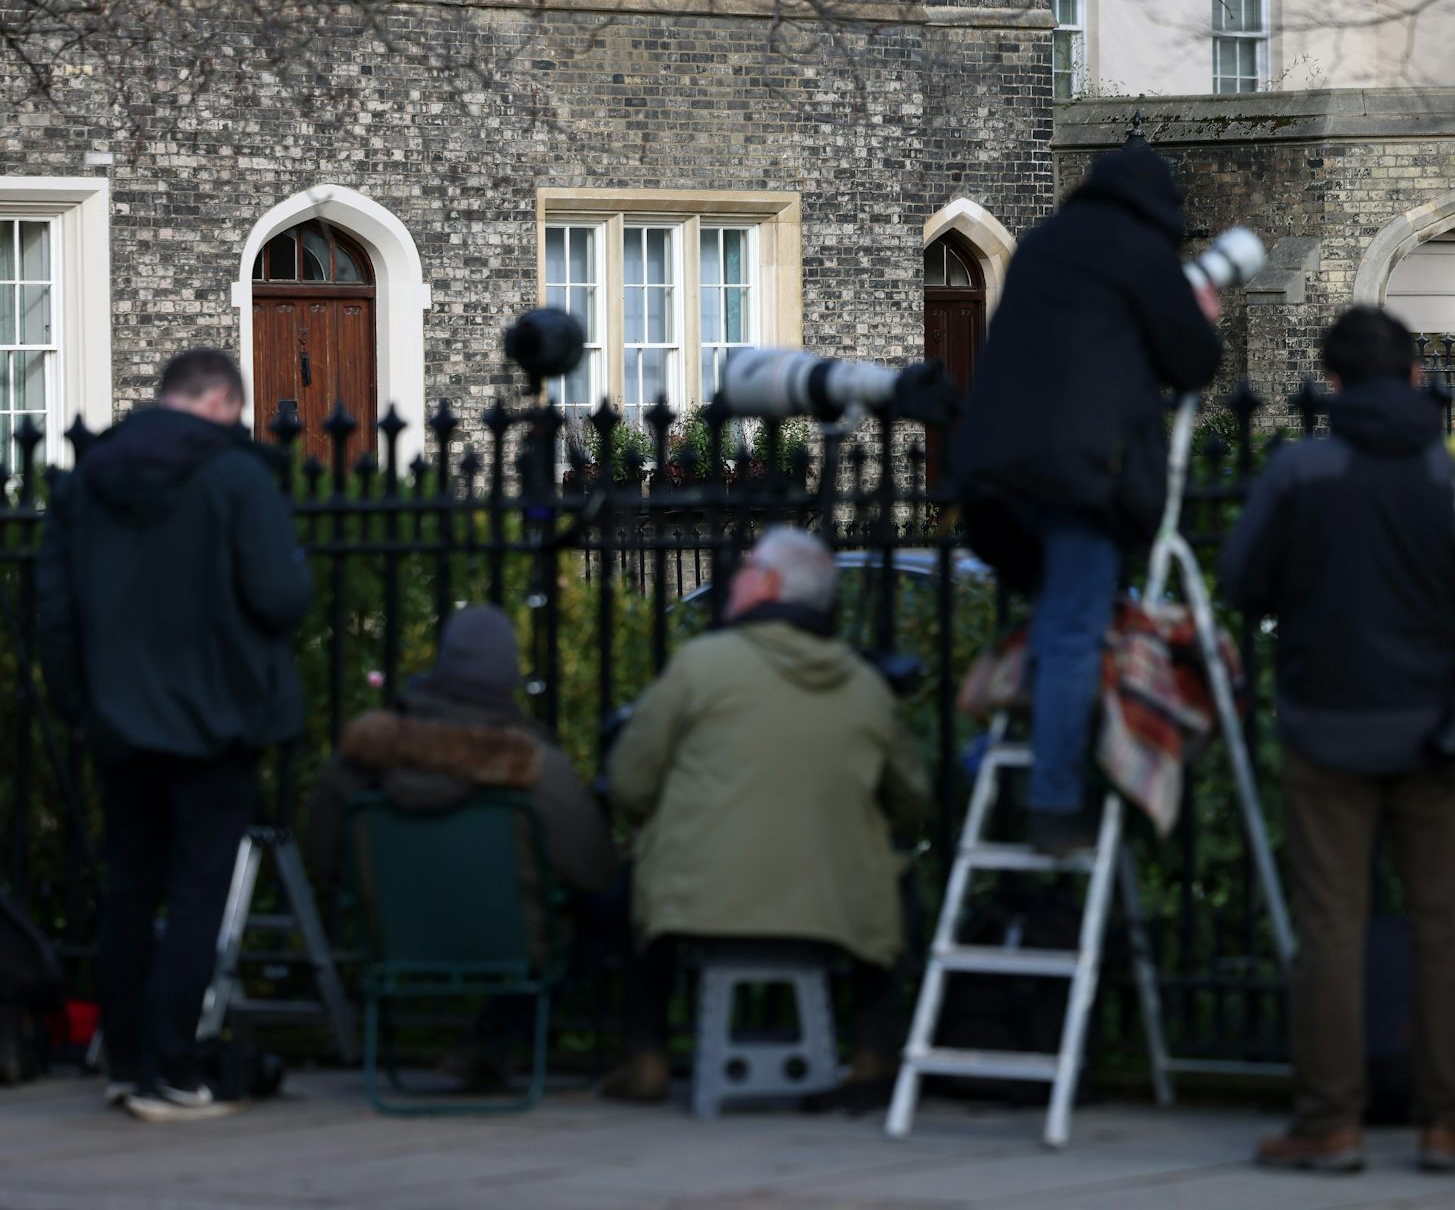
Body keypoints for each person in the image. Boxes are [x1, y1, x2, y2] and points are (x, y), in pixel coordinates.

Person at [1221, 306, 1455, 1174]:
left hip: (1326, 722)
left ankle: (1330, 1122)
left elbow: (1242, 581)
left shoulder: (1299, 470)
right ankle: (1449, 1120)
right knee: (1442, 926)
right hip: (1441, 728)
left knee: (1330, 927)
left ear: (1329, 383)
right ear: (1412, 377)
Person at [37, 348, 312, 1122]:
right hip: (217, 719)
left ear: (167, 397)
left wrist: (80, 706)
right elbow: (282, 596)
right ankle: (170, 1069)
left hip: (119, 720)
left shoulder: (89, 480)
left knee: (128, 890)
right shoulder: (236, 477)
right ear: (224, 400)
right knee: (196, 894)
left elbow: (53, 614)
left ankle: (125, 1065)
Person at [951, 141, 1223, 853]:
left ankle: (999, 769)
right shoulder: (1138, 250)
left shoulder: (1044, 246)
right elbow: (1193, 360)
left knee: (1057, 625)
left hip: (996, 476)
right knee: (1074, 628)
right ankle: (1051, 802)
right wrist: (1197, 308)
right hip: (1077, 477)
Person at [600, 527, 929, 1102]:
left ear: (769, 584)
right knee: (893, 884)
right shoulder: (866, 687)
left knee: (633, 884)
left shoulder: (700, 666)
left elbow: (629, 782)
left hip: (700, 900)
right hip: (835, 908)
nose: (736, 576)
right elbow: (912, 803)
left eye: (747, 566)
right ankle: (874, 1054)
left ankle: (645, 1058)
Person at [305, 604, 621, 1090]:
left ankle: (481, 1046)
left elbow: (324, 860)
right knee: (605, 905)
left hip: (397, 936)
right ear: (509, 674)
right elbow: (595, 871)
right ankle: (497, 1040)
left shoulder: (357, 765)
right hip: (513, 940)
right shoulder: (539, 769)